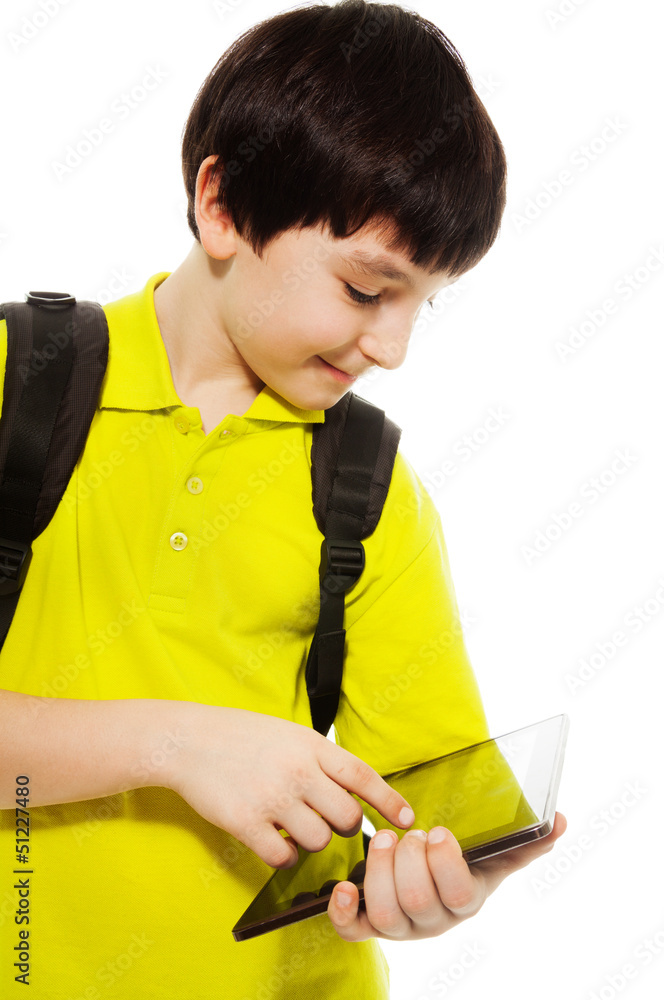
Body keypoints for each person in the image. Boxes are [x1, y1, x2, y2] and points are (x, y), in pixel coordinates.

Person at [0, 2, 566, 997]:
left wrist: (439, 888)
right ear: (221, 205)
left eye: (420, 305)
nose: (391, 348)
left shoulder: (370, 493)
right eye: (363, 290)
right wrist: (172, 745)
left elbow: (417, 826)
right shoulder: (15, 383)